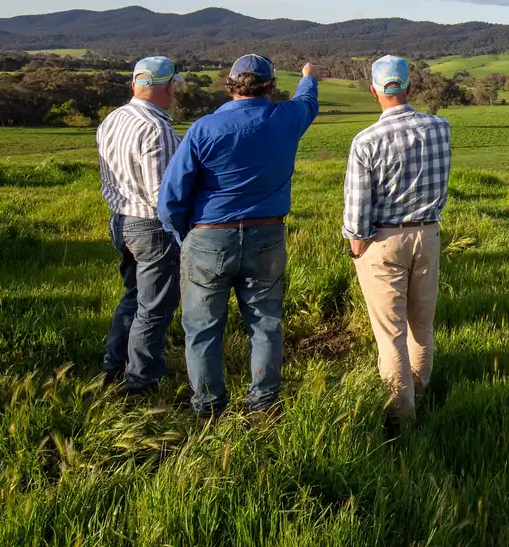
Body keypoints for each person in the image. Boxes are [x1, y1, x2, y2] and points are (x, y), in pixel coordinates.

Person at [158, 54, 324, 417]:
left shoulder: (203, 129)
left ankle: (209, 410)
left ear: (231, 86)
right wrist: (308, 76)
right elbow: (307, 103)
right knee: (265, 323)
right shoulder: (286, 119)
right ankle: (264, 405)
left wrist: (187, 234)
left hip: (208, 236)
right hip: (267, 234)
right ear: (270, 87)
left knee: (203, 330)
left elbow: (170, 198)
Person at [343, 55, 451, 423]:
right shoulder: (441, 127)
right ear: (409, 86)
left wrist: (357, 244)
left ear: (374, 91)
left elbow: (357, 209)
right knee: (422, 326)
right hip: (429, 233)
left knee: (391, 335)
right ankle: (422, 392)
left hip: (383, 241)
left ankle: (402, 419)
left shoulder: (365, 141)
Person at [97, 55, 183, 394]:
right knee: (154, 307)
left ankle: (113, 366)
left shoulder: (113, 119)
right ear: (168, 88)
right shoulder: (156, 128)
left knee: (132, 298)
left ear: (135, 84)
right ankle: (141, 380)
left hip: (120, 220)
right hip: (151, 227)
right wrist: (183, 230)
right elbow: (162, 195)